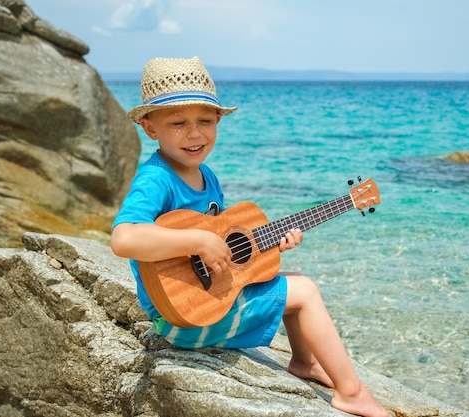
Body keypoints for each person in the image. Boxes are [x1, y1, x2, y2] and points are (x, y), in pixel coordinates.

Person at [110, 56, 388, 417]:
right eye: (178, 123)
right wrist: (196, 242)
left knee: (293, 280)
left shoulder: (207, 176)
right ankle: (352, 393)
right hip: (180, 319)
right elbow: (123, 239)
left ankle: (304, 362)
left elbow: (227, 244)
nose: (194, 133)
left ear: (219, 121)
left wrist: (274, 243)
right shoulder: (156, 179)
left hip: (205, 305)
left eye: (205, 121)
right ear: (150, 128)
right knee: (305, 293)